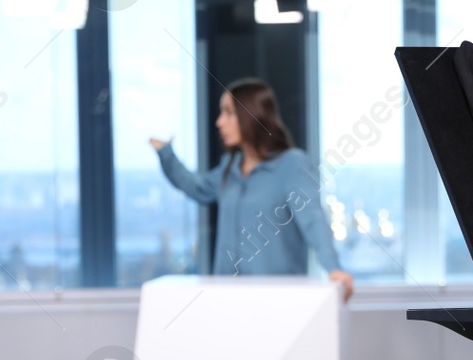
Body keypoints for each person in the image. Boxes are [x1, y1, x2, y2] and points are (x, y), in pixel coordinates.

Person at [150, 78, 354, 301]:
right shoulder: (229, 167)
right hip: (226, 297)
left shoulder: (292, 164)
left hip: (278, 299)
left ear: (251, 114)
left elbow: (312, 220)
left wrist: (334, 268)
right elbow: (197, 188)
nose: (219, 122)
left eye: (228, 113)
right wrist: (166, 154)